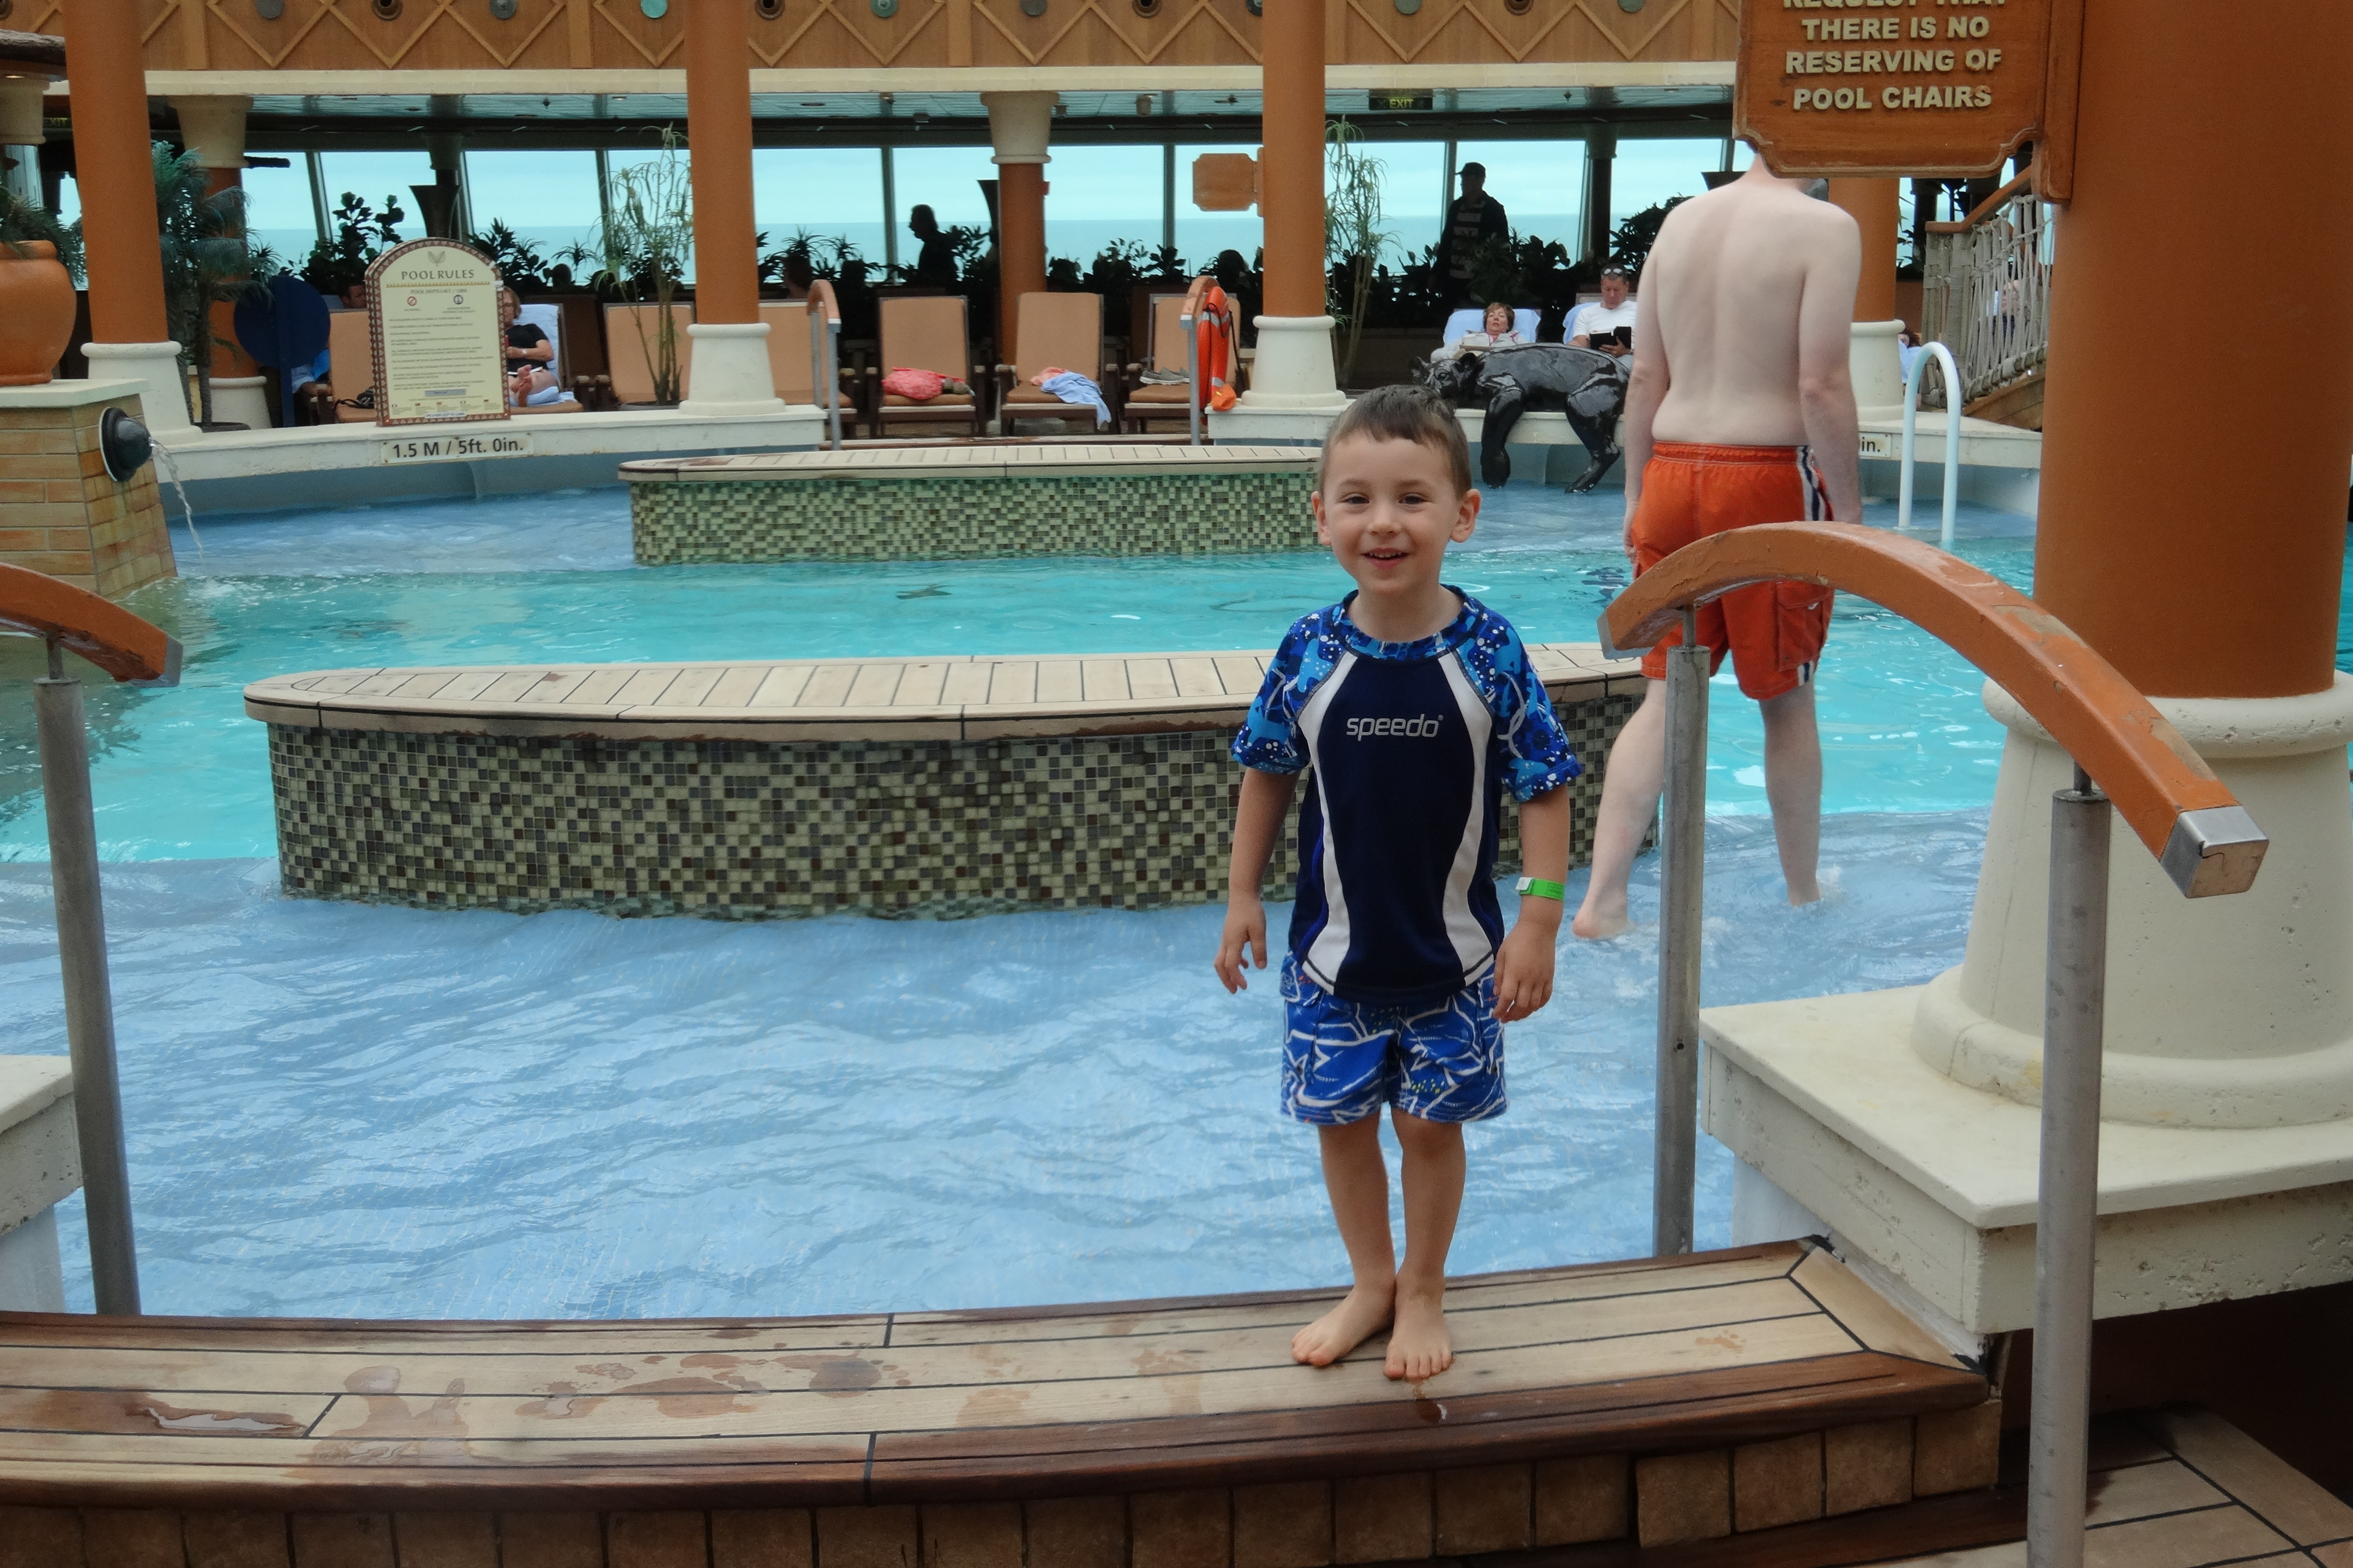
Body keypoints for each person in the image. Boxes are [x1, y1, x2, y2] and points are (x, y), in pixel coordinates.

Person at [1215, 383, 1579, 1382]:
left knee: (1429, 1124)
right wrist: (1242, 896)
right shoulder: (1311, 650)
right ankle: (1371, 1281)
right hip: (1331, 962)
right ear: (1321, 514)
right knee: (1340, 1124)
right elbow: (1266, 770)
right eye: (1358, 498)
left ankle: (1424, 1285)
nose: (1384, 522)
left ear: (1464, 514)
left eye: (1413, 498)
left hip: (1457, 964)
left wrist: (1540, 921)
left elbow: (1545, 784)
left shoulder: (1490, 651)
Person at [1570, 158, 1863, 941]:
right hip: (1766, 475)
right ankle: (1803, 893)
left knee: (1664, 695)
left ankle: (1603, 901)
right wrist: (1851, 515)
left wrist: (1635, 494)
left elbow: (1645, 377)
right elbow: (1821, 384)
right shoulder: (1826, 227)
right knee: (1786, 697)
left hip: (1671, 472)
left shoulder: (1680, 223)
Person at [1434, 162, 1509, 306]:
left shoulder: (1493, 209)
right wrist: (1437, 273)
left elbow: (1502, 244)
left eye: (1467, 179)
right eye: (1463, 179)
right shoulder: (1456, 207)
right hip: (1453, 279)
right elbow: (1447, 241)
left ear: (1480, 181)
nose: (1462, 184)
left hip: (1479, 282)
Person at [498, 288, 559, 403]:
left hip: (536, 370)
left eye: (507, 305)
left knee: (534, 378)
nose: (502, 309)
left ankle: (523, 387)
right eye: (498, 305)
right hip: (505, 375)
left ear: (515, 309)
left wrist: (521, 353)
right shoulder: (486, 335)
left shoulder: (530, 329)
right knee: (504, 382)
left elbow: (548, 353)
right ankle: (521, 392)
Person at [1567, 268, 1637, 357]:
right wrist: (1586, 343)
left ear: (1626, 287)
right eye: (1608, 290)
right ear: (1601, 287)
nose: (1612, 295)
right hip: (1595, 358)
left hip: (1630, 359)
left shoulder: (1640, 310)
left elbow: (1651, 347)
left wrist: (1627, 352)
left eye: (1616, 290)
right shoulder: (1586, 313)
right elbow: (1579, 342)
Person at [1429, 300, 1525, 364]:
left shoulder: (1516, 340)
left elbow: (1530, 357)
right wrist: (1458, 356)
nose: (1496, 318)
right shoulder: (1469, 338)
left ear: (1508, 325)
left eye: (1501, 316)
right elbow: (1436, 356)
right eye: (1491, 316)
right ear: (1486, 322)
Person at [907, 204, 958, 287]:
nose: (911, 226)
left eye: (914, 221)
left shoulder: (936, 245)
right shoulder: (939, 242)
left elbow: (935, 279)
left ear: (925, 223)